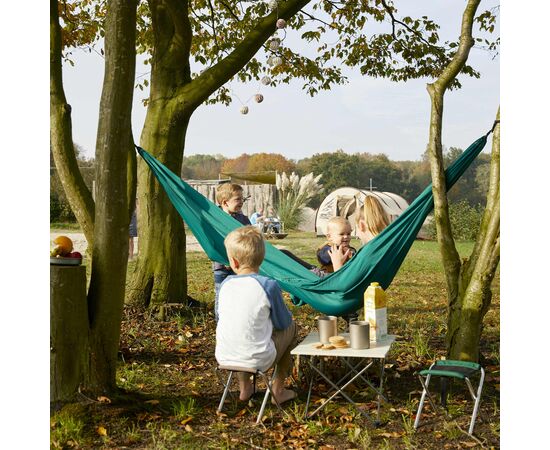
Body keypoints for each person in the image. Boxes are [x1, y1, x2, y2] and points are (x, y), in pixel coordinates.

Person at [215, 226, 298, 404]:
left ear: (234, 263)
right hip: (258, 359)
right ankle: (278, 390)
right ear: (261, 259)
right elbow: (283, 323)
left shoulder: (225, 284)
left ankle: (245, 388)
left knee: (241, 334)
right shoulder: (268, 285)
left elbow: (219, 316)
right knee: (292, 327)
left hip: (224, 355)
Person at [212, 183, 251, 320]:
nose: (241, 202)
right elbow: (214, 242)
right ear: (225, 202)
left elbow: (249, 241)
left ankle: (238, 321)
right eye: (237, 199)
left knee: (240, 295)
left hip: (241, 266)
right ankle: (221, 322)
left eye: (242, 199)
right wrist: (225, 259)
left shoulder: (243, 220)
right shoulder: (214, 218)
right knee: (221, 295)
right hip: (222, 266)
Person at [329, 196, 390, 271]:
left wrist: (337, 264)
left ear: (361, 225)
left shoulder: (367, 255)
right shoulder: (388, 247)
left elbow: (345, 282)